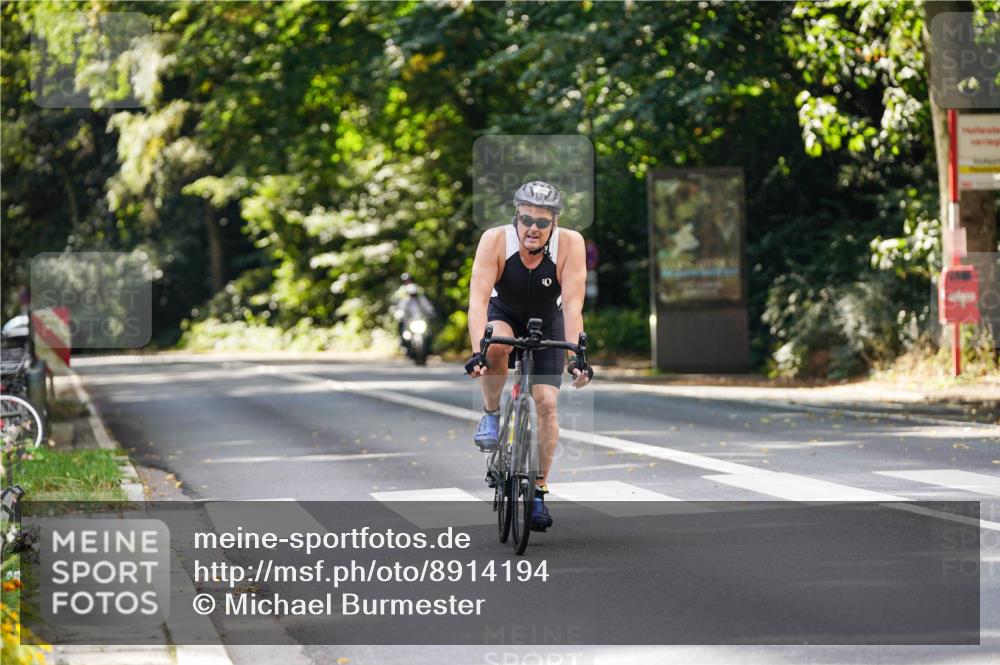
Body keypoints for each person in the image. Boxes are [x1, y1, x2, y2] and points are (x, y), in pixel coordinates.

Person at [464, 181, 593, 532]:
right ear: (515, 218)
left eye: (542, 221)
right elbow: (477, 302)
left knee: (547, 404)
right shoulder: (494, 240)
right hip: (502, 312)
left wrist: (576, 357)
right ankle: (491, 415)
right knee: (498, 345)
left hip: (547, 320)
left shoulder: (571, 244)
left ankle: (538, 492)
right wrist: (479, 352)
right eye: (526, 220)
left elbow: (573, 306)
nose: (533, 228)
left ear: (554, 223)